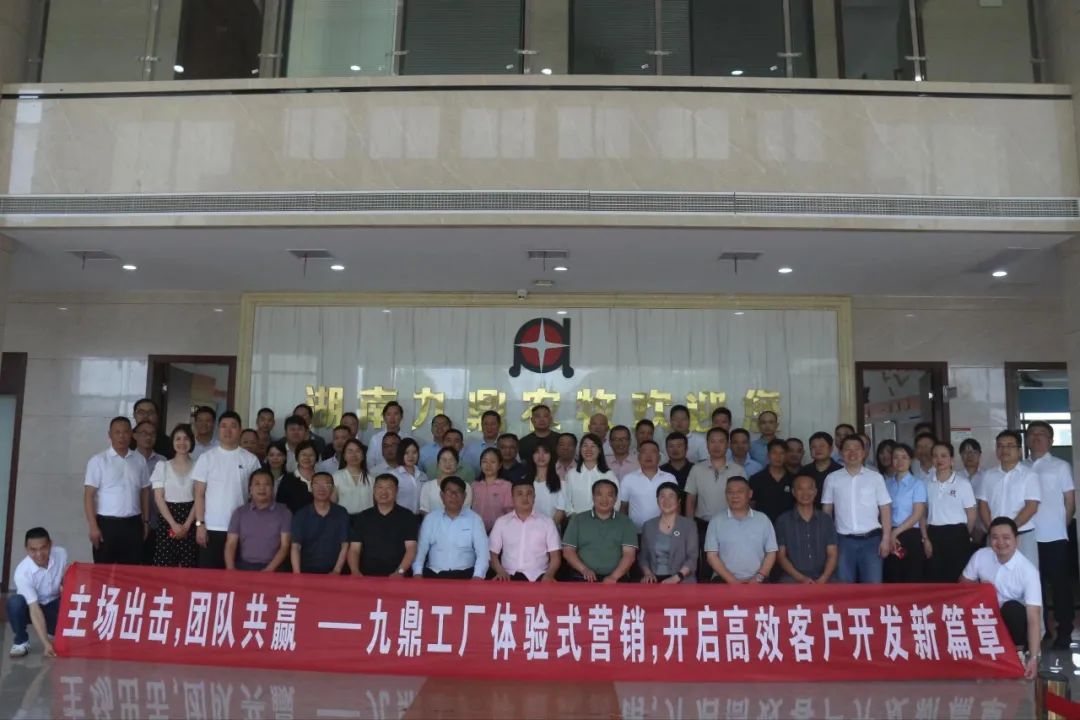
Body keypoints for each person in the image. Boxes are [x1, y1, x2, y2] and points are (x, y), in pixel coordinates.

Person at [962, 517, 1042, 680]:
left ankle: (1018, 653)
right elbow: (962, 585)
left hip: (1012, 621)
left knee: (1012, 609)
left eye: (1006, 537)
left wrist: (1034, 658)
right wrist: (980, 589)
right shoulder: (980, 556)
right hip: (984, 616)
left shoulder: (1028, 571)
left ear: (1016, 540)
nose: (1000, 543)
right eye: (995, 537)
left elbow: (1034, 618)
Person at [1024, 421, 1075, 649]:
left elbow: (1070, 501)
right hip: (1028, 536)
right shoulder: (1022, 467)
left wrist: (1061, 527)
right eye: (1032, 433)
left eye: (1042, 434)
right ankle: (1042, 630)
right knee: (1034, 586)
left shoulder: (1060, 466)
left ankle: (1065, 630)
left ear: (1051, 440)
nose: (1036, 437)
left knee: (1060, 586)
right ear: (1026, 439)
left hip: (1054, 537)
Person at [192, 411, 262, 569]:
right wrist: (200, 524)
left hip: (242, 528)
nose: (228, 430)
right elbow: (199, 494)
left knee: (238, 577)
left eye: (233, 426)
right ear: (218, 429)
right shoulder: (207, 458)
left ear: (240, 430)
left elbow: (257, 497)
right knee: (209, 577)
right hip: (212, 527)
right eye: (224, 426)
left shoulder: (250, 460)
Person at [822, 435, 893, 584]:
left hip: (872, 541)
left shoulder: (876, 478)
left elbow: (885, 509)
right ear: (841, 452)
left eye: (857, 449)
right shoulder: (832, 478)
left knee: (873, 586)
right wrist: (829, 541)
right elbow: (827, 511)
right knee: (844, 586)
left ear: (864, 452)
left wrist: (886, 539)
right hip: (843, 541)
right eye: (848, 449)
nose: (852, 453)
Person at [83, 417, 150, 565]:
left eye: (125, 432)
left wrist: (145, 521)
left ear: (131, 434)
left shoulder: (139, 460)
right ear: (110, 435)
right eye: (117, 432)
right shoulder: (98, 461)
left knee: (131, 571)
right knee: (103, 571)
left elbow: (145, 492)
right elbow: (88, 496)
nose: (122, 436)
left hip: (133, 524)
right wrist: (93, 526)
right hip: (106, 525)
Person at [976, 430, 1041, 569]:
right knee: (994, 575)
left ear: (1019, 451)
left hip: (1022, 535)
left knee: (1026, 575)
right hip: (994, 537)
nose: (1004, 450)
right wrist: (993, 530)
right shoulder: (988, 475)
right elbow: (983, 505)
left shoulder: (1029, 475)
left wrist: (1010, 530)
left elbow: (1031, 507)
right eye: (1000, 446)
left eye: (1010, 445)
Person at [561, 479, 638, 582]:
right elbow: (568, 551)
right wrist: (584, 570)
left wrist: (613, 577)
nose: (604, 499)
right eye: (599, 494)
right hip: (582, 577)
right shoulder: (577, 520)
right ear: (593, 497)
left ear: (616, 499)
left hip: (616, 579)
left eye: (609, 495)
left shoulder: (626, 522)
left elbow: (629, 555)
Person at [412, 476, 489, 579]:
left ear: (465, 496)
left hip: (466, 575)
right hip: (434, 575)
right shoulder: (430, 519)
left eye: (458, 492)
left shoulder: (475, 519)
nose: (453, 495)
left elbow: (483, 553)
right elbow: (421, 550)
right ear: (442, 495)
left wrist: (478, 576)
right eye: (449, 492)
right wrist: (417, 572)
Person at [704, 477, 777, 583]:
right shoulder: (716, 521)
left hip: (758, 580)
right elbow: (711, 556)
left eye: (740, 491)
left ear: (750, 494)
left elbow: (771, 553)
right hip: (724, 580)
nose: (735, 496)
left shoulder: (763, 519)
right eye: (730, 492)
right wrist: (733, 581)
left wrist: (758, 578)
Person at [7, 528, 66, 658]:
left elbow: (65, 578)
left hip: (53, 604)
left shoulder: (61, 554)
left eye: (43, 548)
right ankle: (21, 641)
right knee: (15, 602)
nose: (39, 554)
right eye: (33, 550)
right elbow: (34, 608)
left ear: (50, 544)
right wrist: (46, 644)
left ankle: (52, 630)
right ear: (26, 549)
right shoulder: (22, 572)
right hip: (30, 608)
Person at [923, 441, 977, 583]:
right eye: (935, 456)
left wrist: (963, 535)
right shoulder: (927, 483)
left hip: (957, 534)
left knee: (957, 576)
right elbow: (923, 513)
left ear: (952, 459)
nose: (939, 459)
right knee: (935, 577)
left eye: (943, 456)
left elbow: (971, 515)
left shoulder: (962, 483)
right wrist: (925, 538)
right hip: (934, 533)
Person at [488, 481, 562, 582]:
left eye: (529, 493)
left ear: (534, 497)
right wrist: (500, 571)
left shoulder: (547, 522)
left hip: (538, 576)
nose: (525, 498)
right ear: (512, 498)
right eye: (520, 494)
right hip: (508, 575)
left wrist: (549, 574)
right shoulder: (501, 522)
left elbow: (555, 556)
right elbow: (492, 554)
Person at [347, 473, 418, 577]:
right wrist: (355, 571)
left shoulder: (407, 516)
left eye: (389, 487)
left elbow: (411, 548)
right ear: (374, 490)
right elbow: (354, 549)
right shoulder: (363, 516)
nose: (383, 491)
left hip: (398, 576)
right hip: (367, 576)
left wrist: (400, 572)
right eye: (379, 487)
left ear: (396, 491)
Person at [775, 475, 838, 584]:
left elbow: (832, 553)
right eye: (800, 489)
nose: (805, 493)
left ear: (815, 492)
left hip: (824, 577)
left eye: (809, 488)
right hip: (793, 577)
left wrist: (823, 578)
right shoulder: (783, 520)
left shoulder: (826, 520)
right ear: (793, 492)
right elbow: (781, 556)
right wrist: (801, 578)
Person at [150, 424, 198, 567]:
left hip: (191, 519)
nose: (182, 442)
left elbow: (199, 498)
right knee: (165, 566)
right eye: (178, 439)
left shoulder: (199, 466)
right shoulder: (162, 466)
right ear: (172, 442)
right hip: (167, 519)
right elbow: (159, 498)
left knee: (189, 565)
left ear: (191, 441)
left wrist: (187, 525)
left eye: (186, 438)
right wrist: (173, 524)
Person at [224, 469, 291, 571]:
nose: (262, 488)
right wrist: (231, 570)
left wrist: (268, 570)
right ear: (250, 489)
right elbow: (231, 544)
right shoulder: (239, 512)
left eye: (266, 484)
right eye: (257, 484)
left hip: (275, 568)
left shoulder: (284, 512)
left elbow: (285, 546)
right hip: (244, 566)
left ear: (273, 488)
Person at [685, 427, 744, 536]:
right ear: (707, 445)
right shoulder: (696, 469)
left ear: (727, 445)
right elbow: (690, 500)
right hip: (702, 525)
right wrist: (690, 525)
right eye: (712, 441)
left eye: (721, 441)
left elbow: (744, 501)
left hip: (730, 524)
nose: (716, 446)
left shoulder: (738, 470)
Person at [883, 443, 927, 582]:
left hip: (910, 534)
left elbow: (917, 514)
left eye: (904, 457)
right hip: (889, 533)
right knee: (892, 576)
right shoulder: (886, 484)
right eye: (896, 457)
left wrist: (895, 533)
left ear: (910, 460)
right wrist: (889, 534)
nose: (900, 461)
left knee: (911, 577)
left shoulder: (917, 484)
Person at [639, 482, 698, 584]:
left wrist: (676, 578)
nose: (666, 500)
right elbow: (643, 556)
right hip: (653, 579)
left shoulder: (689, 525)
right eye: (662, 496)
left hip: (681, 579)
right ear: (657, 501)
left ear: (678, 501)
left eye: (671, 496)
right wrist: (648, 573)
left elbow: (692, 558)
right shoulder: (648, 525)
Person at [289, 472, 348, 574]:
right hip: (307, 572)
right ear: (311, 488)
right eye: (317, 484)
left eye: (327, 484)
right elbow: (295, 547)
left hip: (335, 572)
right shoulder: (301, 514)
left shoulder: (341, 513)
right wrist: (297, 575)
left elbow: (345, 545)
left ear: (333, 488)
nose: (321, 488)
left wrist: (336, 571)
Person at [618, 441, 676, 532]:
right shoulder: (628, 478)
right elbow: (623, 508)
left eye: (653, 452)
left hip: (664, 532)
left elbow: (676, 506)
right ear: (639, 457)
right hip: (635, 532)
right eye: (644, 452)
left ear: (659, 457)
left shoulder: (669, 478)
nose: (648, 455)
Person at [563, 433, 615, 515]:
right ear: (580, 449)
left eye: (593, 446)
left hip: (603, 519)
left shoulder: (608, 474)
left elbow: (615, 501)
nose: (588, 449)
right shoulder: (571, 474)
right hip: (577, 519)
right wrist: (574, 516)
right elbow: (566, 500)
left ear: (599, 450)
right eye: (585, 446)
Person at [748, 439, 795, 522]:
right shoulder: (756, 479)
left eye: (782, 453)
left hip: (788, 525)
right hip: (763, 524)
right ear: (768, 455)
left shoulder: (794, 479)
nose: (778, 457)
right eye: (774, 453)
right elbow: (751, 505)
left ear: (786, 456)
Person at [420, 447, 474, 514]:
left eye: (451, 460)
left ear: (457, 464)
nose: (447, 463)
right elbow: (425, 511)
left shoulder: (466, 486)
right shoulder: (428, 486)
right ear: (438, 464)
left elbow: (466, 511)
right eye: (444, 460)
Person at [471, 447, 513, 532]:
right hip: (476, 530)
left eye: (493, 462)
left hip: (499, 531)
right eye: (484, 461)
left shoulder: (506, 486)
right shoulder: (474, 485)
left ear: (500, 465)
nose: (488, 465)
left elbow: (510, 512)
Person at [525, 443, 567, 526]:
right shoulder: (525, 481)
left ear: (551, 456)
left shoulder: (560, 482)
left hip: (551, 529)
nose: (541, 456)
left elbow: (560, 511)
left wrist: (547, 529)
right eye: (537, 452)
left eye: (545, 452)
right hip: (528, 528)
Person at [798, 431, 842, 505]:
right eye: (813, 447)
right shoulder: (804, 471)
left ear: (831, 449)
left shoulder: (840, 471)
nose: (818, 449)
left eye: (822, 446)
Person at [331, 438, 373, 515]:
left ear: (363, 456)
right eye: (350, 451)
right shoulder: (336, 476)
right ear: (344, 456)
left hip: (368, 518)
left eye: (358, 451)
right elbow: (332, 504)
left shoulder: (372, 477)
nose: (354, 455)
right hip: (344, 518)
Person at [958, 437, 988, 544]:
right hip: (960, 529)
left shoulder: (987, 476)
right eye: (965, 452)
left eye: (973, 452)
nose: (970, 455)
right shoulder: (955, 477)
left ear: (979, 455)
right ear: (961, 456)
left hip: (984, 529)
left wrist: (983, 528)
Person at [275, 440, 317, 513]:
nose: (307, 458)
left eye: (311, 455)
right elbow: (280, 506)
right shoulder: (287, 480)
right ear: (297, 457)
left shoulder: (322, 478)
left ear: (316, 458)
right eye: (303, 455)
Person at [462, 410, 501, 474]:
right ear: (482, 425)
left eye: (493, 424)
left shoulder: (505, 446)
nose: (489, 427)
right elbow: (465, 469)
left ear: (499, 425)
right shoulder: (472, 447)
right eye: (486, 424)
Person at [393, 437, 426, 514]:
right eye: (406, 453)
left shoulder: (423, 475)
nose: (411, 456)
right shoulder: (393, 475)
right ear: (401, 454)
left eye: (414, 452)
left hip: (419, 517)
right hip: (400, 517)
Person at [661, 431, 693, 496]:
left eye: (679, 446)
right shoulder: (661, 471)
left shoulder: (695, 469)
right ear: (666, 449)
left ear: (686, 449)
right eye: (671, 446)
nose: (675, 449)